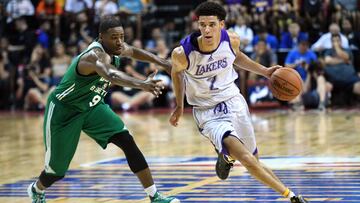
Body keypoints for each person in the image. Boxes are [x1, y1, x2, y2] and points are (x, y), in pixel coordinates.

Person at [27, 16, 179, 203]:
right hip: (64, 111)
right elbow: (110, 74)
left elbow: (133, 51)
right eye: (114, 37)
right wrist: (143, 84)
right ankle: (37, 189)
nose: (119, 42)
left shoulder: (117, 47)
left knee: (127, 141)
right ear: (101, 37)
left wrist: (163, 62)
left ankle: (154, 196)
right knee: (55, 172)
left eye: (122, 36)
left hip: (92, 107)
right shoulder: (93, 56)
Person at [169, 2, 308, 203]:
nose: (207, 29)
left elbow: (237, 57)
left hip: (234, 102)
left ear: (221, 24)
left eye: (212, 24)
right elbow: (176, 73)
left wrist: (266, 71)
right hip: (208, 113)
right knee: (247, 159)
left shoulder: (231, 40)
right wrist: (180, 106)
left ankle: (226, 157)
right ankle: (292, 196)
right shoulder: (183, 53)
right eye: (202, 25)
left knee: (255, 162)